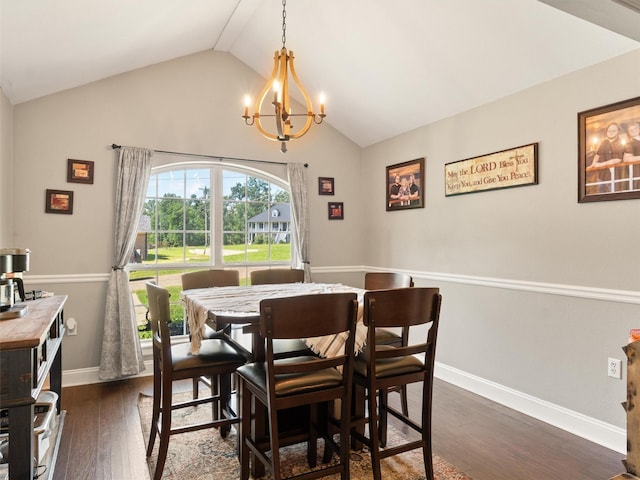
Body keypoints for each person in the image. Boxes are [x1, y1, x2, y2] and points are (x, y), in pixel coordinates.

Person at [589, 122, 626, 192]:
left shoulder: (620, 142)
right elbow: (597, 155)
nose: (611, 132)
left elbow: (618, 159)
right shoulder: (604, 142)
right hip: (601, 175)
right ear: (606, 132)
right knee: (600, 196)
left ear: (618, 132)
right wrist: (592, 165)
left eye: (613, 131)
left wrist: (600, 165)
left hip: (614, 175)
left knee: (614, 195)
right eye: (609, 131)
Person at [623, 121, 640, 190]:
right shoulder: (629, 143)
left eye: (635, 128)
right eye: (631, 130)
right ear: (628, 133)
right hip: (637, 171)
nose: (633, 131)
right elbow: (626, 159)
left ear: (639, 129)